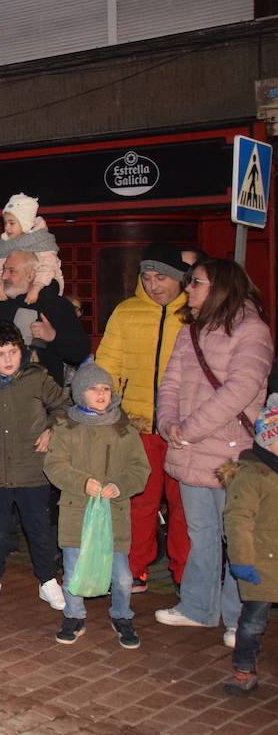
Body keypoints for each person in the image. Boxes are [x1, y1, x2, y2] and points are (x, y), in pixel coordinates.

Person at [155, 258, 272, 646]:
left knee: (238, 537)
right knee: (200, 532)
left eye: (196, 282)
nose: (187, 289)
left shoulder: (251, 330)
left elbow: (239, 390)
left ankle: (239, 619)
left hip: (231, 456)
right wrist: (167, 422)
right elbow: (169, 380)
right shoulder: (190, 330)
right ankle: (198, 608)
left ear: (221, 286)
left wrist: (187, 429)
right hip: (190, 450)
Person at [93, 242, 192, 592]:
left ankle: (185, 574)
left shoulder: (195, 314)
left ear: (180, 278)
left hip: (183, 428)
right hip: (136, 425)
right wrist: (105, 410)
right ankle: (135, 569)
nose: (154, 285)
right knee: (138, 502)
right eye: (147, 277)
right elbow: (107, 365)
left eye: (161, 277)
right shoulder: (126, 311)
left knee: (185, 507)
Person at [0, 319, 70, 609]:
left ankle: (47, 580)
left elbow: (62, 406)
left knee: (39, 528)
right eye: (0, 354)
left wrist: (51, 429)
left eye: (13, 352)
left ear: (22, 351)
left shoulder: (37, 378)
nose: (8, 360)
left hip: (32, 469)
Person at [43, 361, 150, 648]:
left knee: (123, 577)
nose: (101, 394)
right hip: (77, 510)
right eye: (93, 389)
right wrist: (82, 482)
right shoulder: (67, 427)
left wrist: (120, 486)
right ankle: (74, 616)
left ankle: (122, 615)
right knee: (74, 571)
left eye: (106, 388)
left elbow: (140, 468)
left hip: (113, 513)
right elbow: (54, 465)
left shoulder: (124, 429)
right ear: (80, 393)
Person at [217, 410, 278, 695]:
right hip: (261, 562)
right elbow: (237, 520)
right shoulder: (253, 474)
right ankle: (243, 669)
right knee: (253, 620)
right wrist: (241, 560)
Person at [0, 248, 88, 386]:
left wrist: (53, 336)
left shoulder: (56, 304)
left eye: (12, 271)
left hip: (40, 397)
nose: (4, 276)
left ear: (31, 275)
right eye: (4, 270)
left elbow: (81, 351)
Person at [0, 193, 64, 305]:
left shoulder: (42, 240)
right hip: (20, 285)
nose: (6, 227)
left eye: (12, 223)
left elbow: (49, 267)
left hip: (44, 283)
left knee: (49, 290)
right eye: (5, 223)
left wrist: (36, 288)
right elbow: (0, 266)